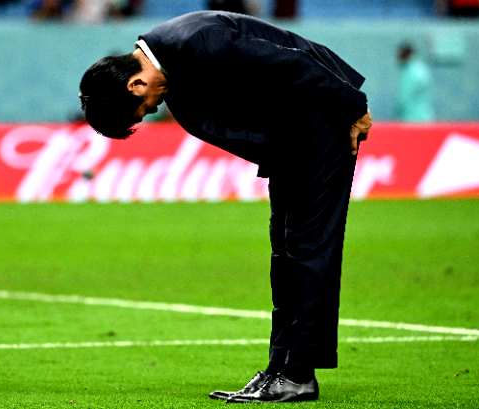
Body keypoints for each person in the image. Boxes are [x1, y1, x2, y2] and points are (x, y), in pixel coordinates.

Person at [79, 11, 371, 403]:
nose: (153, 109)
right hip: (294, 139)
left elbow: (292, 62)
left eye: (144, 107)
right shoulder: (174, 62)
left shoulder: (196, 44)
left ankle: (298, 374)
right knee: (285, 253)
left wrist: (353, 105)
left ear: (135, 81)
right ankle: (278, 369)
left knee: (307, 251)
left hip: (322, 124)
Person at [395, 44, 434, 122]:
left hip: (411, 120)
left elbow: (404, 98)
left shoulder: (409, 73)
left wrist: (398, 117)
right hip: (426, 117)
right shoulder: (422, 69)